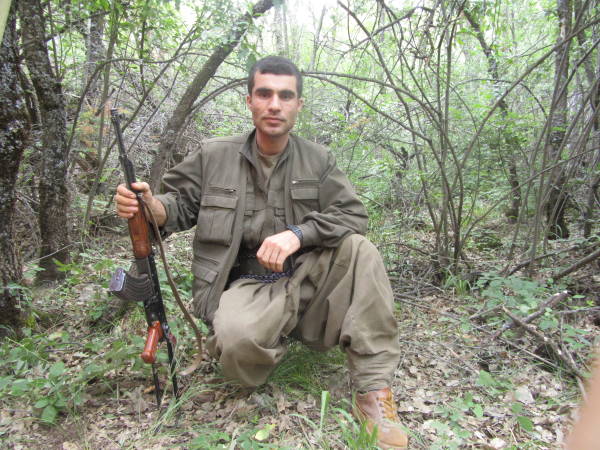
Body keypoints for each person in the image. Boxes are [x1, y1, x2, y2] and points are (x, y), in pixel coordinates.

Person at [115, 56, 408, 448]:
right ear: (249, 100)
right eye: (265, 94)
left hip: (305, 278)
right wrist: (151, 206)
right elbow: (177, 205)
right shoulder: (213, 154)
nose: (274, 104)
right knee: (238, 355)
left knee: (360, 249)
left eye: (285, 96)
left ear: (298, 105)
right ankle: (265, 336)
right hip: (247, 286)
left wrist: (298, 234)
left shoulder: (318, 160)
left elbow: (352, 215)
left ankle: (373, 392)